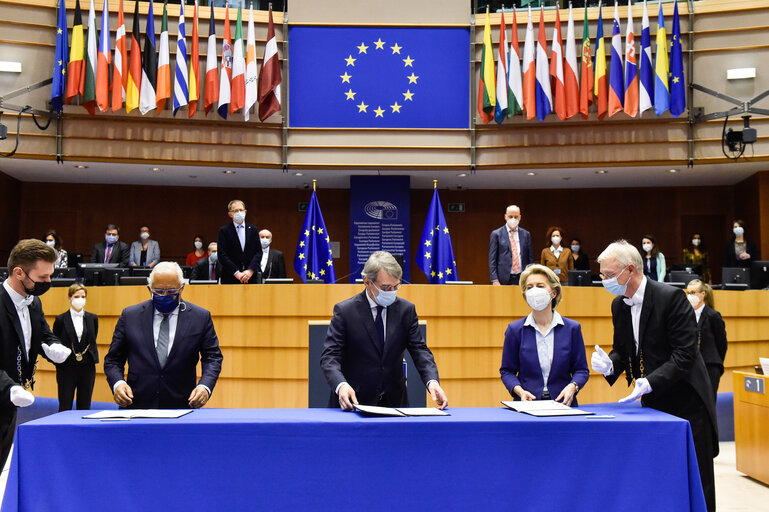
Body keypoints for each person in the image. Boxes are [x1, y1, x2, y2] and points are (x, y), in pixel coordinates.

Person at [592, 240, 718, 512]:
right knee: (658, 474)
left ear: (630, 270)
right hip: (653, 401)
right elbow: (623, 350)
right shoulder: (619, 305)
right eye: (601, 275)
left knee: (697, 477)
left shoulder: (670, 297)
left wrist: (649, 381)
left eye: (608, 275)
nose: (603, 281)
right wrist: (611, 365)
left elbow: (685, 354)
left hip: (687, 401)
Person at [320, 251, 448, 410]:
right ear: (367, 281)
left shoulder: (406, 310)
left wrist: (432, 382)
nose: (392, 292)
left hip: (394, 403)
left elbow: (420, 351)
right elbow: (330, 357)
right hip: (354, 402)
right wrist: (341, 385)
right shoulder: (345, 311)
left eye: (396, 286)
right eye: (386, 287)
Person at [104, 262, 223, 409]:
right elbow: (113, 360)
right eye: (159, 291)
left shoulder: (200, 317)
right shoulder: (130, 316)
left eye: (172, 291)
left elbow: (212, 357)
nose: (165, 295)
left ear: (182, 288)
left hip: (182, 405)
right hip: (137, 404)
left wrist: (205, 386)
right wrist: (118, 383)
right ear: (149, 289)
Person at [0, 239, 71, 469]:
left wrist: (52, 345)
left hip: (10, 404)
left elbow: (40, 332)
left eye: (50, 275)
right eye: (42, 278)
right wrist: (8, 387)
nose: (48, 282)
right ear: (19, 272)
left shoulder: (34, 302)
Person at [500, 265, 589, 405]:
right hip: (527, 406)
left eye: (540, 286)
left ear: (553, 293)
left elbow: (581, 370)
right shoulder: (515, 329)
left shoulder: (572, 328)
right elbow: (507, 371)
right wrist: (520, 391)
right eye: (529, 287)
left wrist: (573, 386)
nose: (534, 291)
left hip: (563, 404)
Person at [52, 283, 99, 411]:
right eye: (76, 296)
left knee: (85, 404)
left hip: (87, 366)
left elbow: (93, 339)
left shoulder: (92, 318)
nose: (80, 300)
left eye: (83, 296)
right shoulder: (61, 319)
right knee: (65, 403)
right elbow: (54, 342)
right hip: (66, 367)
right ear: (69, 298)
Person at [686, 279, 727, 399]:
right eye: (688, 293)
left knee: (708, 402)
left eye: (693, 292)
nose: (690, 296)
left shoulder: (713, 315)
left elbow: (722, 344)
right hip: (691, 367)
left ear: (702, 294)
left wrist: (717, 364)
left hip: (709, 366)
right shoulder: (686, 315)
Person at [217, 199, 262, 284]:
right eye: (235, 211)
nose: (239, 212)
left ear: (245, 212)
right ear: (230, 214)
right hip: (230, 277)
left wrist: (250, 270)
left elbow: (258, 252)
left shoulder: (253, 229)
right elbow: (222, 254)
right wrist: (236, 273)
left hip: (250, 277)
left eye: (241, 210)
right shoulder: (224, 231)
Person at [489, 204, 534, 285]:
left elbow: (530, 259)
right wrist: (494, 279)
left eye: (516, 217)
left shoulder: (526, 234)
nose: (513, 219)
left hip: (522, 278)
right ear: (505, 217)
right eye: (510, 216)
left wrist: (530, 277)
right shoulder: (496, 234)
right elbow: (492, 259)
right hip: (503, 278)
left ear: (520, 217)